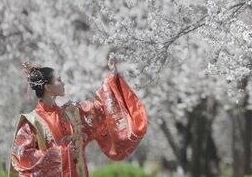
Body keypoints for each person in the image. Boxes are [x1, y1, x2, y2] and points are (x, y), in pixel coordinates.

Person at [8, 53, 148, 177]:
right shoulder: (32, 122)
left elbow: (101, 109)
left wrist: (113, 78)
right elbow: (22, 156)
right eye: (59, 80)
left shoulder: (72, 114)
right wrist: (62, 154)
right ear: (48, 87)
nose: (63, 83)